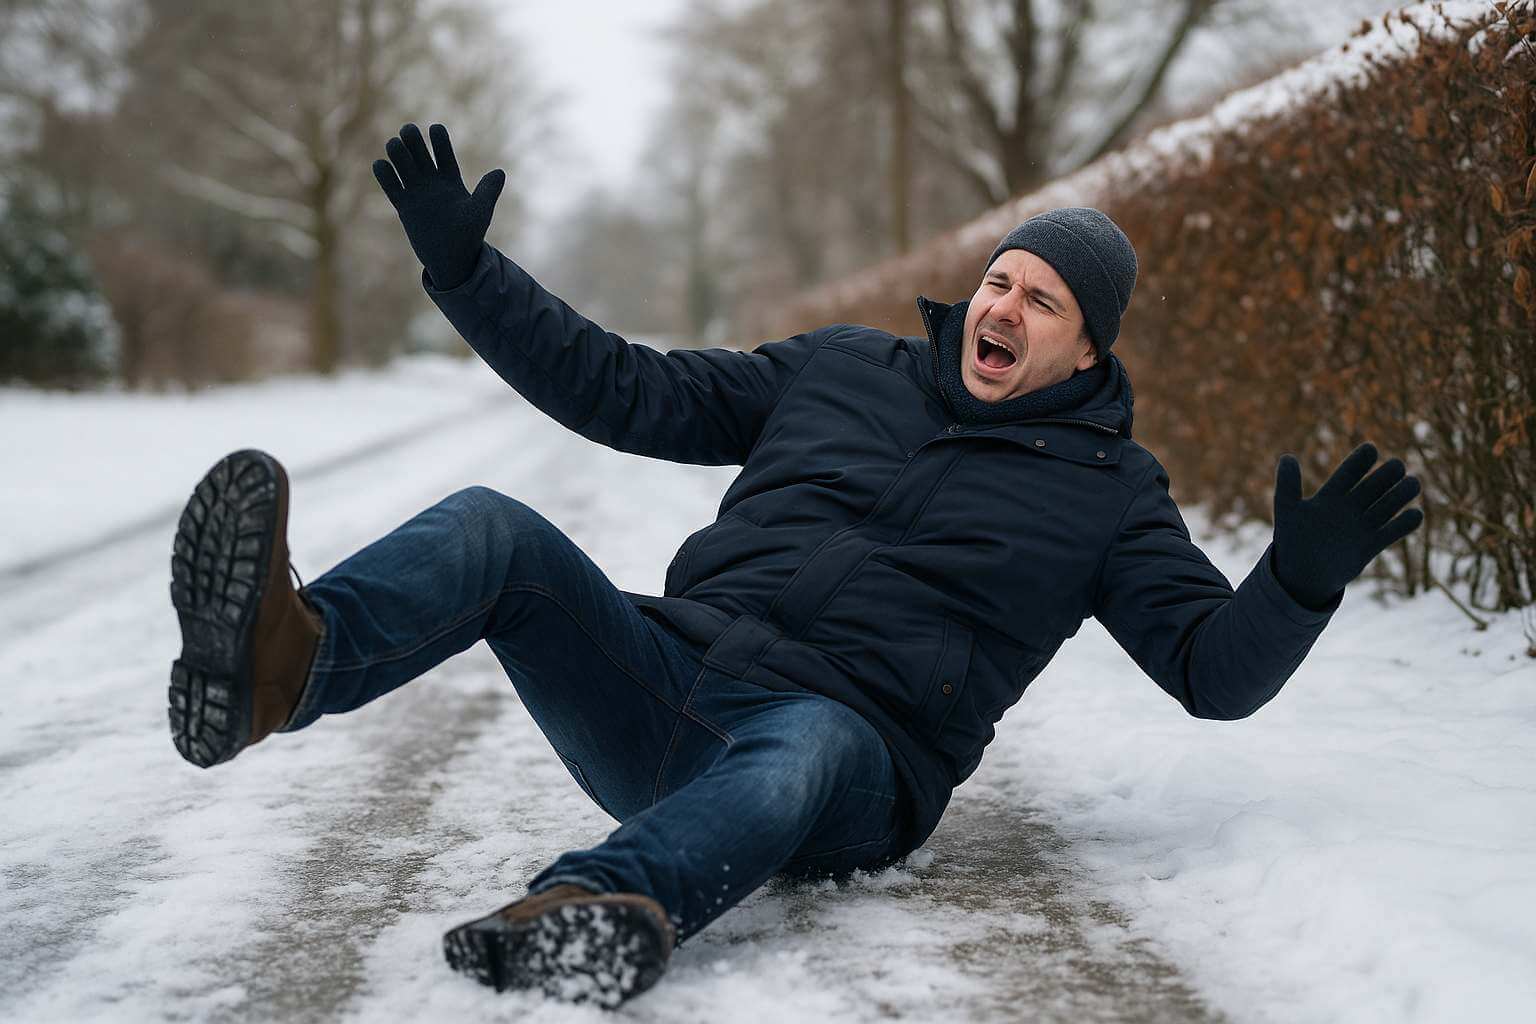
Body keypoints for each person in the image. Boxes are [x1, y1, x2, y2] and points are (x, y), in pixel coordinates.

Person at [165, 123, 1424, 1008]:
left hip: (855, 761)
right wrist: (468, 274)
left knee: (807, 738)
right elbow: (629, 390)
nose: (1003, 307)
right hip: (668, 686)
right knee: (496, 526)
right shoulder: (840, 368)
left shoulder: (1111, 496)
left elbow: (1212, 672)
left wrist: (1298, 583)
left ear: (1088, 353)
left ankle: (592, 915)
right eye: (1001, 279)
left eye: (1043, 301)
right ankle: (284, 662)